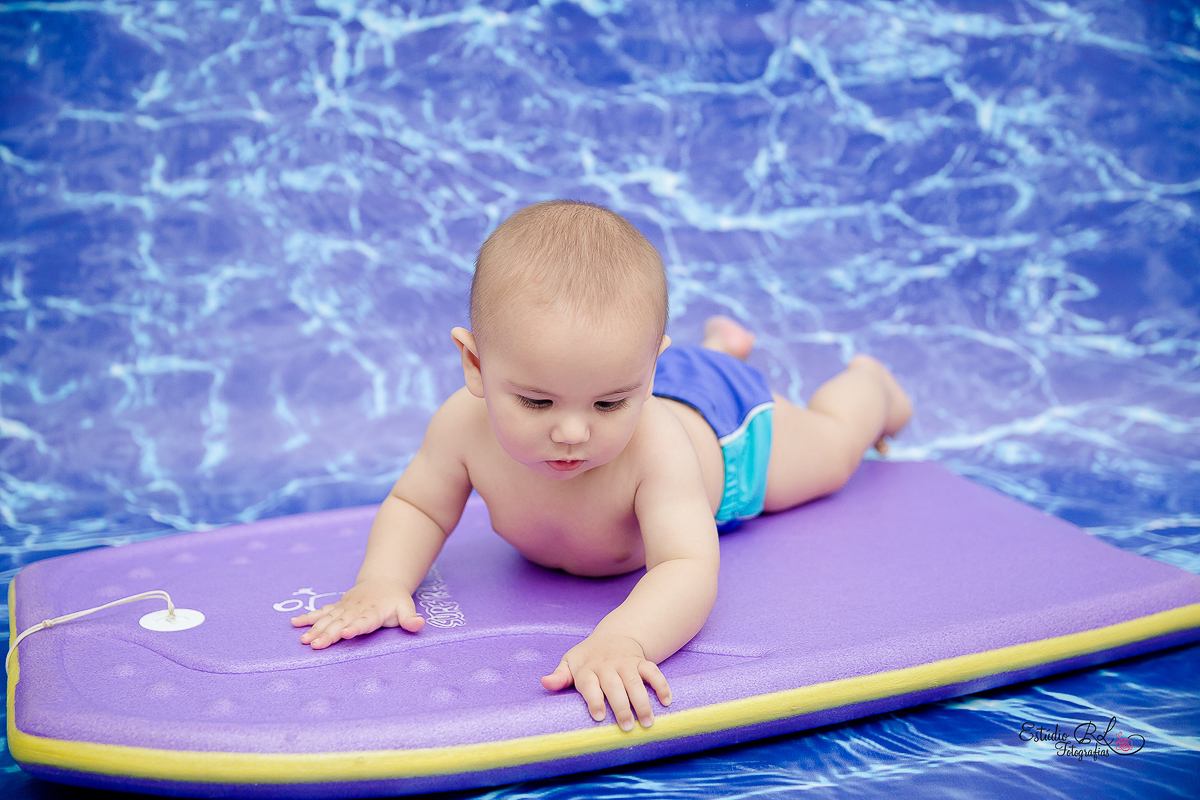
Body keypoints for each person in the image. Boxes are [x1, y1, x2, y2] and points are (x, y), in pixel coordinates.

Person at [292, 200, 911, 733]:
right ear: (475, 365)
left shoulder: (654, 446)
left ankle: (868, 386)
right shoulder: (462, 426)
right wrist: (382, 581)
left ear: (649, 374)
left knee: (830, 454)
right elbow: (417, 505)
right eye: (536, 401)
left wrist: (627, 638)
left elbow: (687, 564)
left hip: (725, 433)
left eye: (610, 403)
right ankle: (720, 346)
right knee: (595, 380)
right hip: (645, 375)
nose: (571, 432)